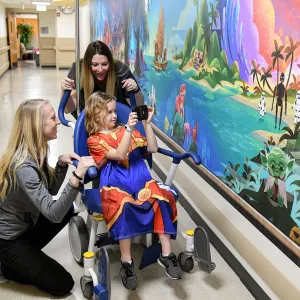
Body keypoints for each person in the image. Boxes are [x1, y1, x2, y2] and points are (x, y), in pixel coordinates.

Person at [85, 92, 182, 291]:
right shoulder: (94, 140)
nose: (114, 115)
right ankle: (126, 263)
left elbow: (153, 148)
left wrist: (147, 125)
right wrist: (129, 128)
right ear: (95, 115)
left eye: (114, 111)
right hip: (115, 182)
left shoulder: (125, 130)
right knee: (124, 206)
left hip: (140, 177)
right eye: (109, 112)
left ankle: (166, 254)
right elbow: (120, 154)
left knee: (160, 199)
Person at [0, 99, 96, 296]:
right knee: (63, 284)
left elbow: (50, 193)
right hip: (7, 239)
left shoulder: (37, 150)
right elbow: (52, 214)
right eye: (53, 118)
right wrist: (76, 176)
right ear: (37, 126)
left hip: (26, 225)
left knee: (68, 209)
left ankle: (19, 261)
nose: (58, 121)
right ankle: (7, 266)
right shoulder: (23, 166)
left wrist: (61, 165)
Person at [61, 40, 144, 118]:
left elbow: (139, 108)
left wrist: (136, 89)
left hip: (117, 122)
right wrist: (64, 90)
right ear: (87, 64)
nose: (100, 69)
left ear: (110, 62)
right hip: (88, 123)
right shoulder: (78, 70)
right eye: (95, 64)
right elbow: (68, 109)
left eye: (104, 64)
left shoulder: (120, 70)